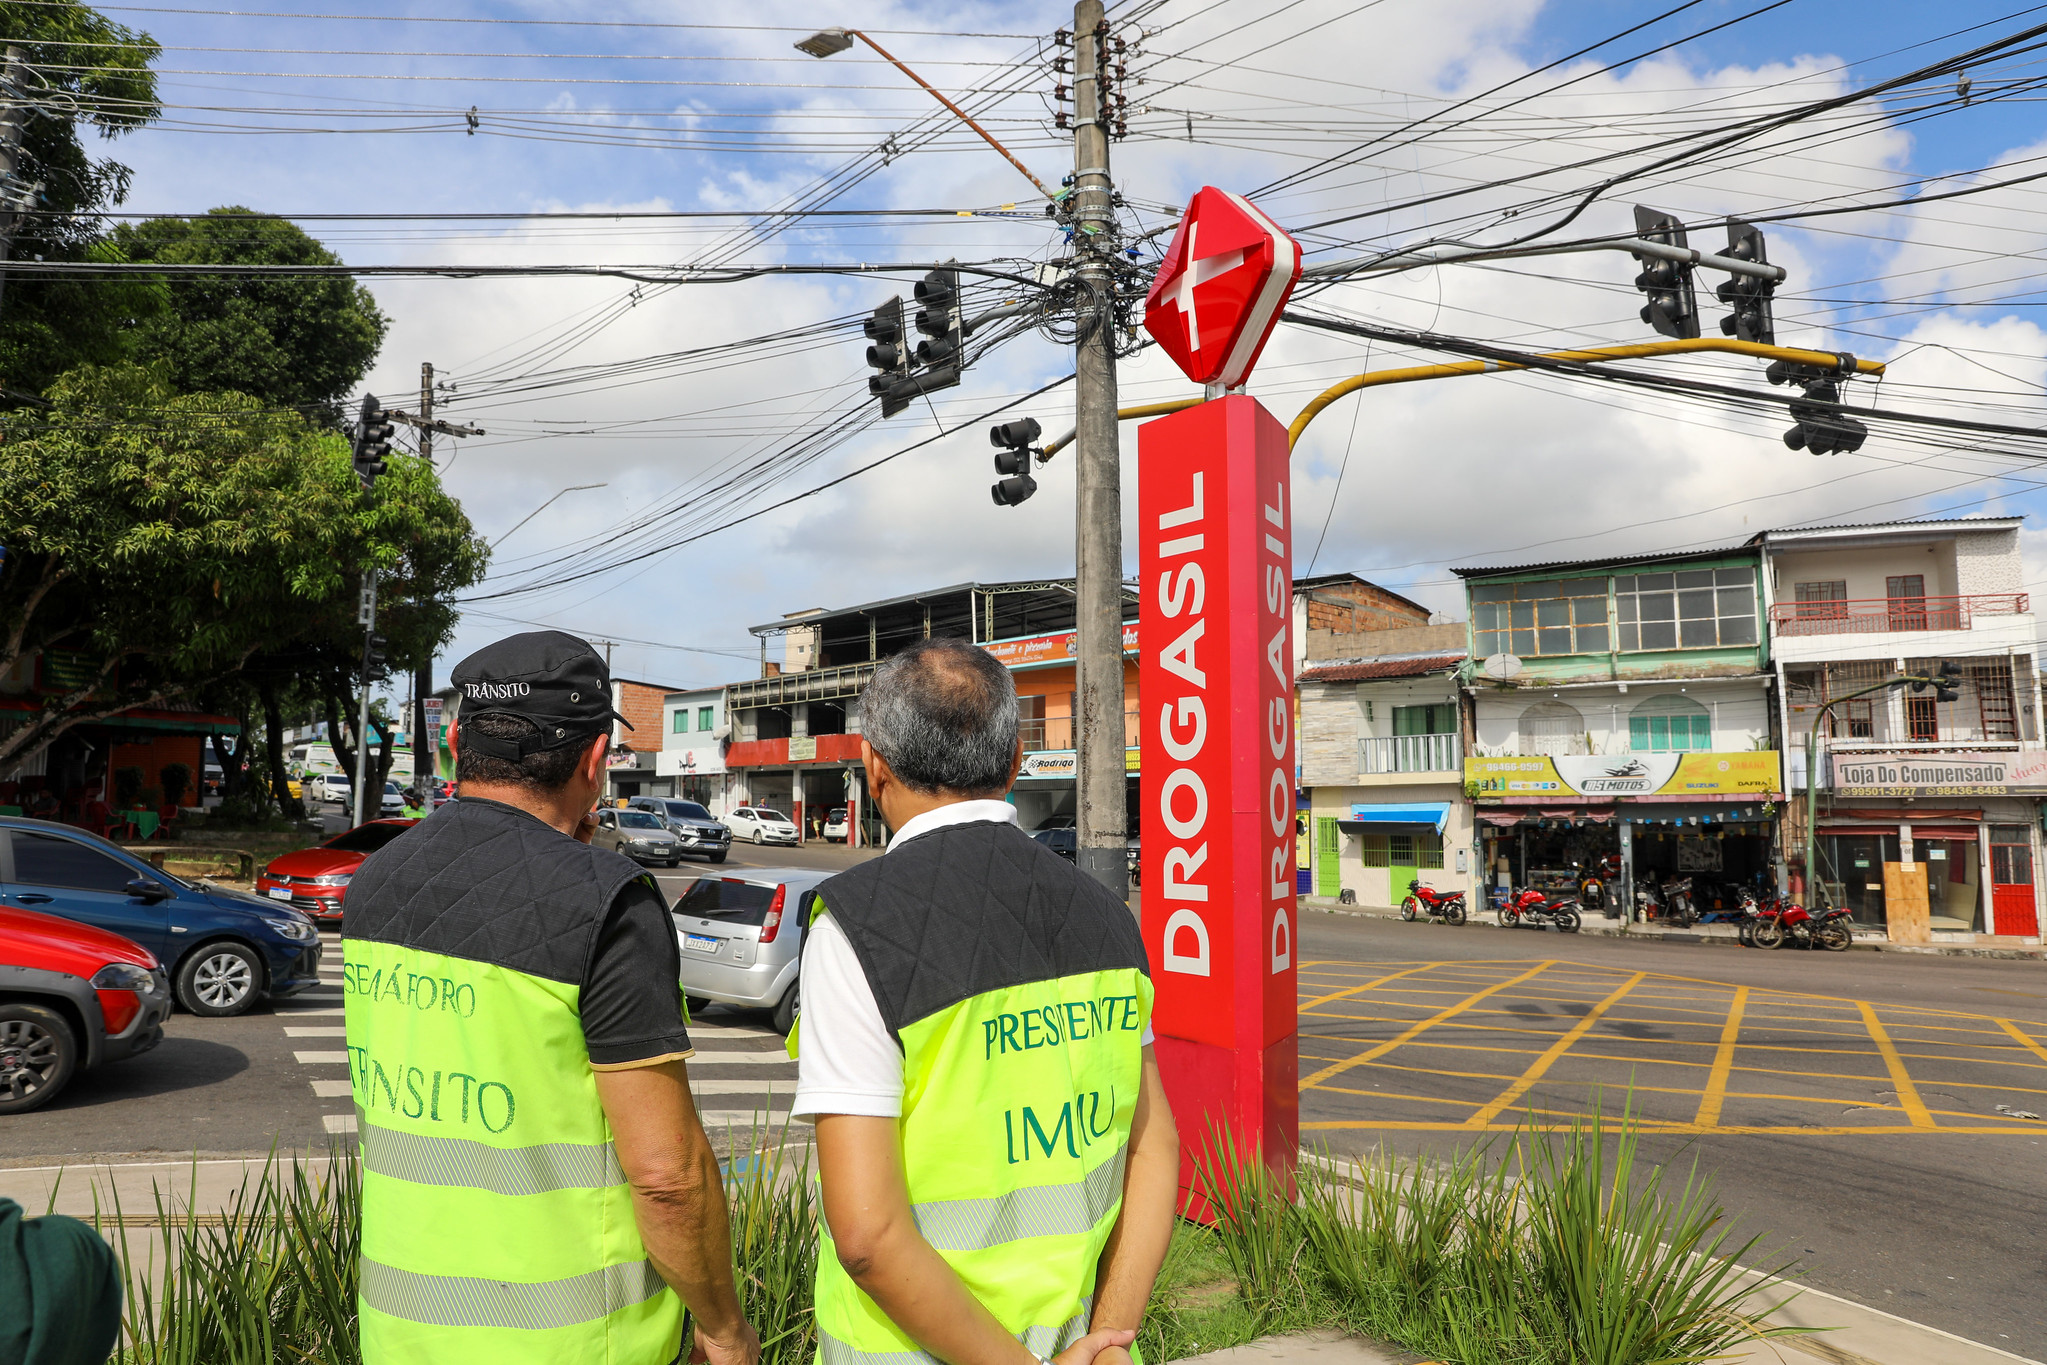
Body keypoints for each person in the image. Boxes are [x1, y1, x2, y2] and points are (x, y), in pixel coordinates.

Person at [342, 630, 759, 1365]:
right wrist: (724, 1329)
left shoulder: (376, 881)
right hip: (570, 1340)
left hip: (400, 1329)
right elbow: (665, 1176)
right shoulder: (607, 902)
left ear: (458, 742)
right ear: (595, 759)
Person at [793, 637, 1179, 1365]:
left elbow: (869, 1239)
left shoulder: (859, 923)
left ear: (874, 764)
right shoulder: (1104, 915)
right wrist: (1109, 1337)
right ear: (1012, 765)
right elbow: (1153, 1144)